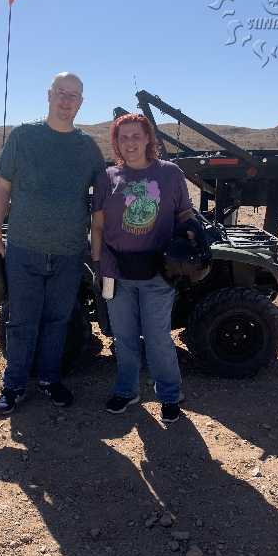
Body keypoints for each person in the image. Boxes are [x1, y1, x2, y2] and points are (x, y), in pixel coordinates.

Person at [0, 72, 105, 416]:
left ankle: (50, 380)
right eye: (61, 93)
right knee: (21, 321)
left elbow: (102, 199)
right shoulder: (23, 137)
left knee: (58, 320)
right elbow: (2, 188)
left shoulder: (88, 148)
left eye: (73, 95)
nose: (66, 101)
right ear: (49, 95)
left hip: (69, 251)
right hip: (24, 247)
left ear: (81, 102)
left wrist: (100, 247)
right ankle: (14, 385)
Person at [91, 113, 196, 424]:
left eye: (136, 136)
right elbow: (98, 226)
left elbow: (184, 214)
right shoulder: (107, 178)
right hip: (116, 271)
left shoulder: (170, 174)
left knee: (157, 337)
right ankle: (127, 390)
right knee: (123, 337)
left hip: (158, 272)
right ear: (116, 142)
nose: (130, 143)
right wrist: (97, 264)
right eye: (123, 137)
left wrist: (192, 236)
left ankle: (169, 395)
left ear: (149, 138)